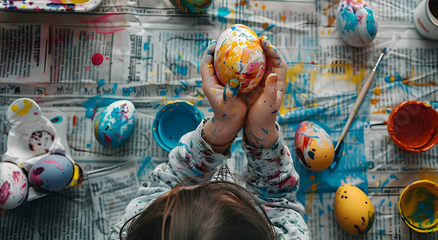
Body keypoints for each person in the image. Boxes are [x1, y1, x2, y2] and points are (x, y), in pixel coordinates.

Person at [108, 37, 309, 240]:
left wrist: (221, 129)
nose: (192, 185)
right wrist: (261, 132)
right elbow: (279, 203)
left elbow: (164, 184)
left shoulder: (127, 232)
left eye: (186, 190)